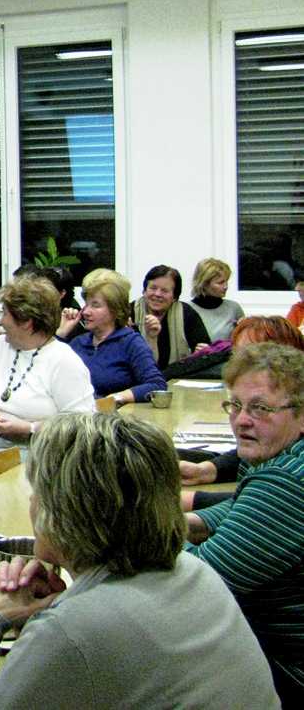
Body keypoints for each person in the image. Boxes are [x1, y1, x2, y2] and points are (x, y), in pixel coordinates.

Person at [0, 411, 277, 709]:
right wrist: (53, 613)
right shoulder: (191, 569)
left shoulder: (77, 630)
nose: (32, 502)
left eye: (38, 492)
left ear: (63, 514)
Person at [184, 342, 304, 701]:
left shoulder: (286, 481)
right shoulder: (280, 459)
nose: (241, 420)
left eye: (260, 408)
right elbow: (238, 510)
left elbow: (195, 584)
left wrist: (127, 532)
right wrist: (178, 521)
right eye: (235, 405)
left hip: (286, 672)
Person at [180, 315, 304, 510]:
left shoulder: (289, 473)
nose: (242, 365)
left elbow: (268, 500)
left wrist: (189, 500)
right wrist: (205, 470)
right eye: (237, 355)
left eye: (254, 356)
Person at [0, 275, 95, 450]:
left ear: (26, 321)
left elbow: (81, 424)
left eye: (5, 313)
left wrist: (30, 429)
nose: (0, 322)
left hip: (40, 456)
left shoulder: (64, 361)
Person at [59, 269, 165, 406]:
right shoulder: (78, 342)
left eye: (95, 305)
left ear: (115, 310)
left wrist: (115, 398)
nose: (85, 312)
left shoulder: (130, 342)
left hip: (111, 415)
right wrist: (60, 334)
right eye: (86, 304)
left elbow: (156, 385)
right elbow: (47, 376)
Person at [133, 264, 210, 369]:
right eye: (153, 288)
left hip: (179, 374)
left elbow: (205, 349)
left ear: (174, 297)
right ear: (144, 291)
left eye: (164, 291)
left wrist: (202, 352)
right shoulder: (130, 312)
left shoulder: (187, 313)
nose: (157, 294)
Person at [189, 257, 245, 343]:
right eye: (220, 283)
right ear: (204, 284)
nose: (226, 286)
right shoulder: (187, 310)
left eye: (226, 281)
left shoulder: (234, 308)